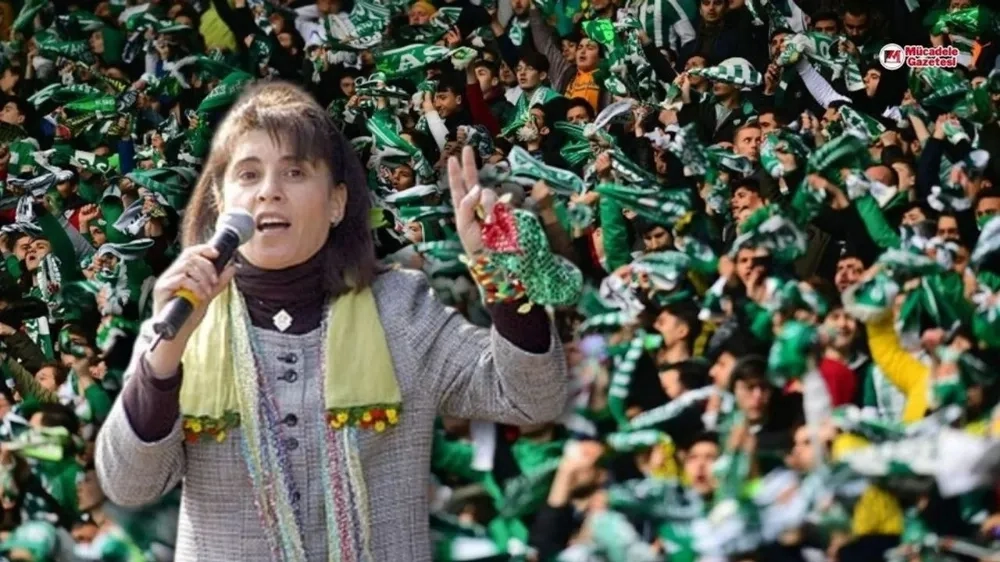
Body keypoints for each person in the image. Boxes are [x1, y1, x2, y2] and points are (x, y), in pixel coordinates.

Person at [94, 82, 569, 561]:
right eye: (249, 174)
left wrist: (500, 278)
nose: (269, 191)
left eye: (295, 172)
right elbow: (128, 484)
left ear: (337, 202)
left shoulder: (401, 309)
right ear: (220, 201)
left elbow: (532, 398)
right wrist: (166, 354)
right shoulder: (180, 320)